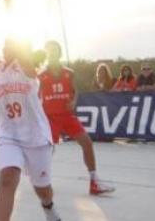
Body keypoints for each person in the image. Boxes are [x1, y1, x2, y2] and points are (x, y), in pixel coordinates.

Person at [0, 0, 62, 221]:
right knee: (8, 178)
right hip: (9, 134)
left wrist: (11, 7)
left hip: (36, 137)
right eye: (4, 44)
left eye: (9, 44)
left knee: (43, 189)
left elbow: (21, 41)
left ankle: (49, 208)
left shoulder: (28, 68)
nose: (4, 47)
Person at [39, 40, 115, 196]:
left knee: (87, 142)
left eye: (54, 50)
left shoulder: (69, 72)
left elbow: (75, 91)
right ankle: (40, 178)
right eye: (49, 51)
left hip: (67, 116)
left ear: (59, 53)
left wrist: (73, 101)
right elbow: (34, 96)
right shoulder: (41, 75)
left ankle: (94, 182)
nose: (51, 53)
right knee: (47, 150)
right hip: (50, 117)